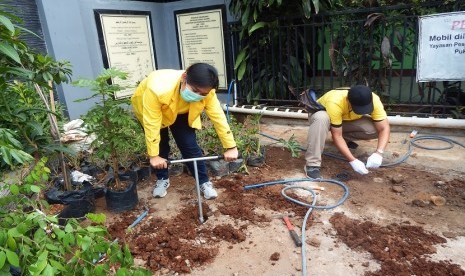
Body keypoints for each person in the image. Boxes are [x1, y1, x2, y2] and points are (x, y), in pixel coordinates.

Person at [131, 63, 239, 199]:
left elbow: (218, 117)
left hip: (182, 109)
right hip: (151, 108)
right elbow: (151, 123)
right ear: (184, 78)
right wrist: (154, 156)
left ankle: (203, 182)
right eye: (194, 90)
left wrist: (231, 146)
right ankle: (162, 179)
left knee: (189, 145)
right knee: (160, 146)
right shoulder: (157, 89)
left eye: (203, 94)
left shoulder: (208, 92)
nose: (198, 95)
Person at [304, 85, 390, 178]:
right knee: (321, 118)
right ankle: (312, 164)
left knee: (374, 129)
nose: (363, 111)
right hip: (321, 118)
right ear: (348, 101)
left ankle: (345, 140)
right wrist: (353, 160)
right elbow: (337, 135)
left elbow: (384, 128)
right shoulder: (335, 102)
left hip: (344, 119)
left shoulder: (374, 99)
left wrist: (379, 153)